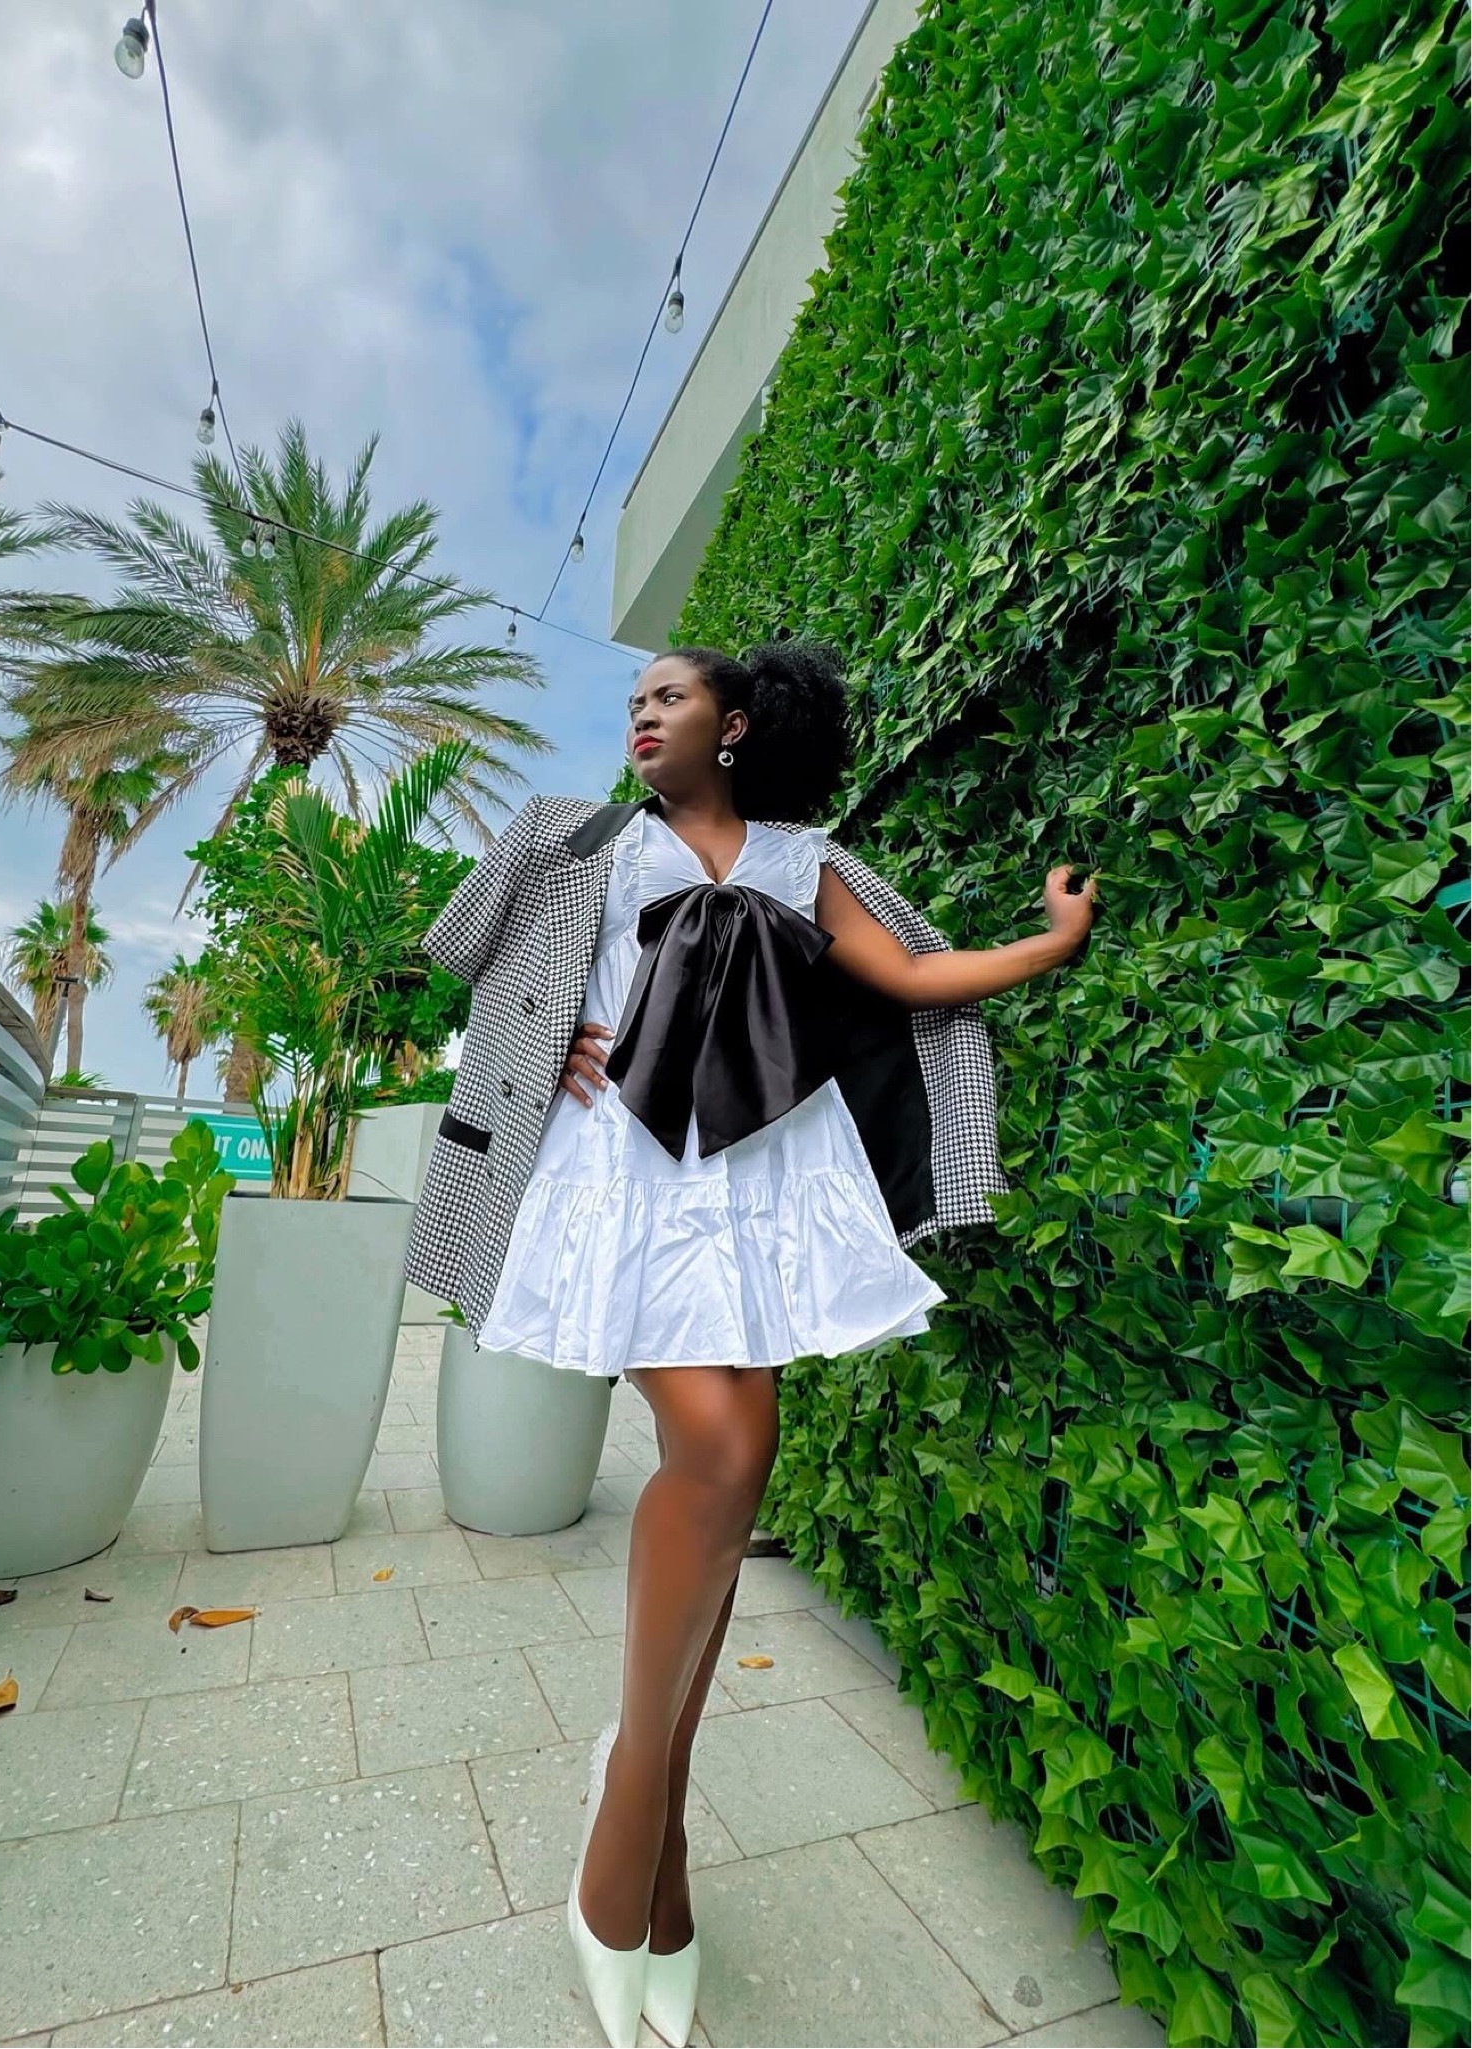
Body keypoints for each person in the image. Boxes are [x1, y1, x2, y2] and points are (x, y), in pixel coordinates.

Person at [403, 642, 1099, 2048]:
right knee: (716, 1452)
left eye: (670, 695)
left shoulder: (800, 856)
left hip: (771, 1178)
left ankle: (652, 1846)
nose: (643, 711)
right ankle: (625, 1834)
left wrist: (1050, 940)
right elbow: (461, 953)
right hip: (623, 1173)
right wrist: (550, 1041)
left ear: (737, 724)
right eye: (634, 700)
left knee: (736, 1477)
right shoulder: (582, 840)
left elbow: (907, 973)